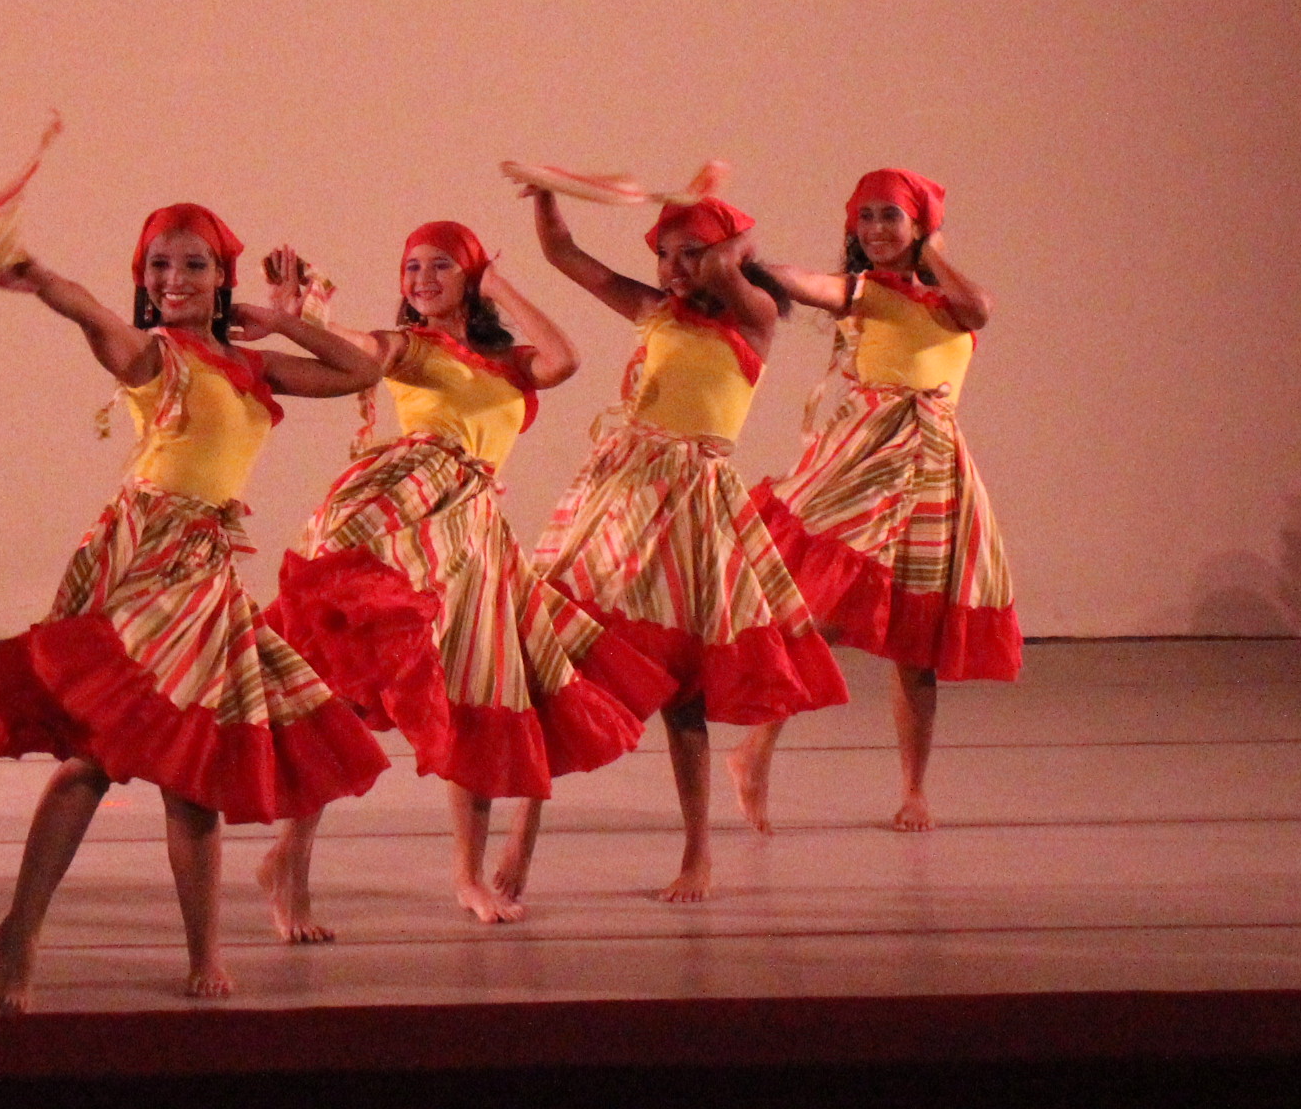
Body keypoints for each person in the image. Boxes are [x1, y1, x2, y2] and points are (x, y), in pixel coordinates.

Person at [0, 205, 390, 1011]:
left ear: (221, 280)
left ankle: (203, 949)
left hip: (205, 573)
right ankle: (20, 930)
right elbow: (97, 319)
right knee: (92, 759)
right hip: (143, 565)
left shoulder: (251, 367)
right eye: (158, 267)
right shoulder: (152, 357)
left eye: (193, 266)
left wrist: (285, 322)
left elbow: (361, 372)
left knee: (195, 772)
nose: (172, 281)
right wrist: (43, 283)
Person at [272, 222, 668, 922]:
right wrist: (296, 321)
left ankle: (467, 877)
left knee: (476, 702)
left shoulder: (510, 361)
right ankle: (292, 868)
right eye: (411, 267)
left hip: (475, 536)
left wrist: (498, 282)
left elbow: (565, 357)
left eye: (442, 266)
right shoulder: (411, 348)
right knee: (339, 685)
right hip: (409, 516)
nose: (422, 279)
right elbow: (355, 352)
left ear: (471, 276)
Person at [523, 183, 845, 901]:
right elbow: (565, 255)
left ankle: (697, 853)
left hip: (695, 502)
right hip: (621, 495)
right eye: (665, 254)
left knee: (685, 689)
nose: (672, 267)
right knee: (553, 646)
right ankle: (516, 845)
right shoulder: (653, 311)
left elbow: (736, 276)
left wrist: (724, 241)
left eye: (688, 253)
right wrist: (546, 195)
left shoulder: (753, 320)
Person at [735, 168, 1016, 833]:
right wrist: (755, 265)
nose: (875, 230)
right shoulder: (864, 293)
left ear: (920, 225)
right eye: (865, 218)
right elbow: (811, 284)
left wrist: (932, 248)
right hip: (867, 460)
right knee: (816, 616)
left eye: (890, 216)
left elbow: (976, 309)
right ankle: (754, 751)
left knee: (915, 644)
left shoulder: (953, 301)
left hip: (934, 469)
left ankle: (913, 789)